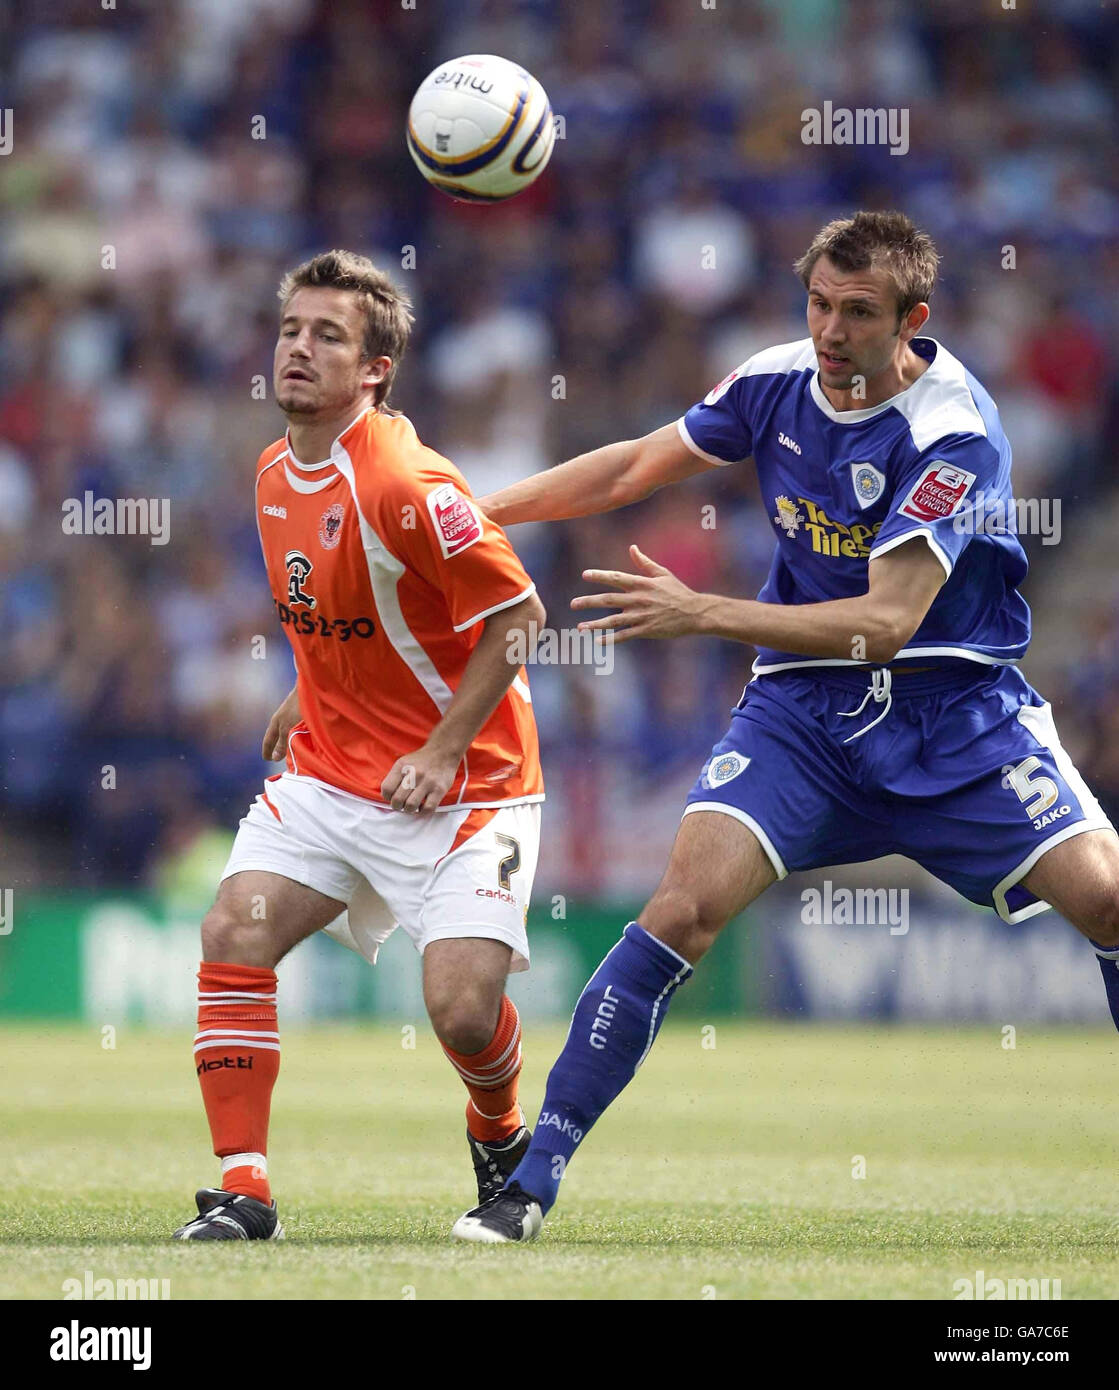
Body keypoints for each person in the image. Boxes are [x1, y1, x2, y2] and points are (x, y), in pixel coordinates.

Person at [449, 211, 1119, 1244]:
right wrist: (479, 517)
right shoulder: (772, 382)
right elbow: (632, 467)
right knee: (680, 909)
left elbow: (887, 625)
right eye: (819, 304)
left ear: (913, 321)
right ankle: (529, 1183)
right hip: (804, 714)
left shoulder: (953, 432)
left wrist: (703, 612)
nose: (832, 331)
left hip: (957, 713)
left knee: (1110, 903)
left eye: (859, 313)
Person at [174, 250, 546, 1241]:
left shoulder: (410, 481)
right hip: (334, 778)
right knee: (232, 930)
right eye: (291, 329)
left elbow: (519, 617)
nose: (299, 347)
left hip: (472, 790)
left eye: (328, 335)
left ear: (375, 370)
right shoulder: (270, 470)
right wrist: (308, 688)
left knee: (464, 1010)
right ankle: (243, 1190)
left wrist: (438, 746)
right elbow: (346, 608)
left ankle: (503, 1134)